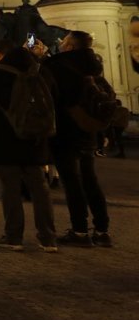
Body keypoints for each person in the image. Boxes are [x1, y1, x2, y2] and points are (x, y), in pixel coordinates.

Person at [0, 38, 58, 252]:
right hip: (36, 138)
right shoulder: (40, 72)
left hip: (6, 139)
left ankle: (13, 237)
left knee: (10, 189)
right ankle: (48, 238)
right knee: (40, 188)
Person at [40, 31, 113, 248]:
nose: (61, 44)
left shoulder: (58, 65)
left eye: (64, 41)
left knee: (72, 183)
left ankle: (80, 231)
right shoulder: (94, 65)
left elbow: (49, 96)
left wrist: (42, 59)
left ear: (70, 46)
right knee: (91, 181)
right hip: (88, 129)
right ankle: (102, 230)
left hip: (65, 131)